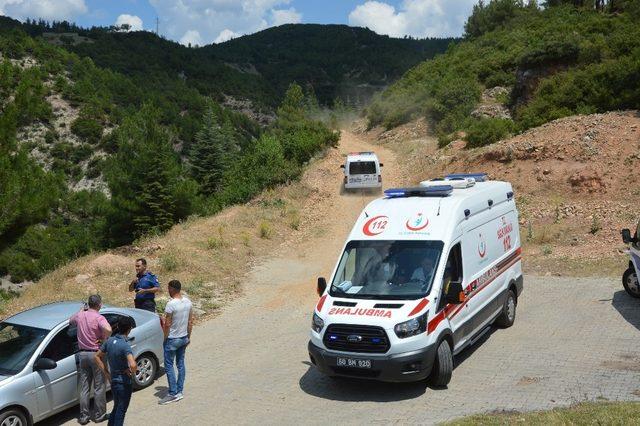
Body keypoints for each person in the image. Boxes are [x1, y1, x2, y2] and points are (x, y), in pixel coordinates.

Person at [69, 295, 112, 425]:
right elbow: (109, 329)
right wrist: (104, 339)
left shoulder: (80, 315)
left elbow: (70, 321)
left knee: (84, 387)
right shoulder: (99, 317)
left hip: (82, 355)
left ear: (88, 304)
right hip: (96, 354)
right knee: (99, 386)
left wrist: (82, 311)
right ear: (99, 304)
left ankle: (83, 416)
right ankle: (99, 415)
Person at [95, 317, 137, 426]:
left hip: (113, 380)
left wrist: (107, 373)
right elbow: (133, 364)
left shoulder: (109, 341)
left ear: (118, 327)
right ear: (129, 329)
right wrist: (132, 372)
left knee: (117, 407)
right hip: (123, 383)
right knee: (121, 410)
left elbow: (97, 356)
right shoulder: (125, 345)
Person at [159, 280, 193, 405]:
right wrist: (188, 337)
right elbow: (190, 322)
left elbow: (167, 324)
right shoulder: (188, 302)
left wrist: (165, 338)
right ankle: (179, 391)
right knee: (180, 364)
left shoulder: (170, 304)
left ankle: (172, 393)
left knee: (168, 365)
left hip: (172, 339)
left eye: (169, 288)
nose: (168, 290)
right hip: (184, 337)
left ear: (173, 289)